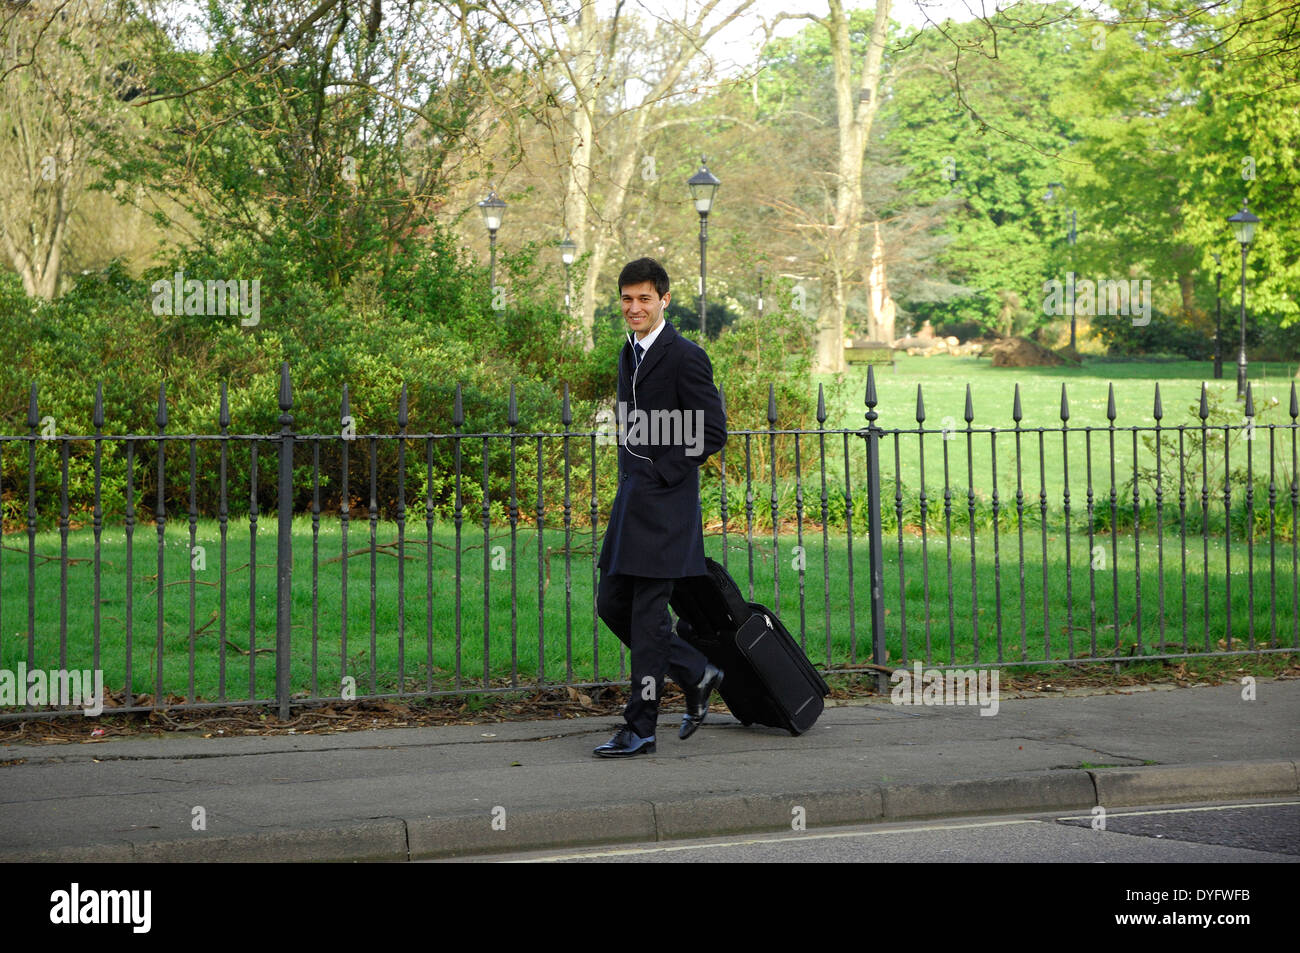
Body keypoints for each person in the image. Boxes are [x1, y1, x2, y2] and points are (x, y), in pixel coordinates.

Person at [593, 257, 728, 758]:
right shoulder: (629, 351)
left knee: (649, 617)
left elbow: (712, 431)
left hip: (667, 509)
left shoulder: (686, 355)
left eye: (644, 298)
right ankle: (696, 671)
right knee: (612, 605)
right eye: (627, 299)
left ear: (664, 301)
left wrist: (662, 471)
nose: (634, 307)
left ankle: (640, 728)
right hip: (633, 504)